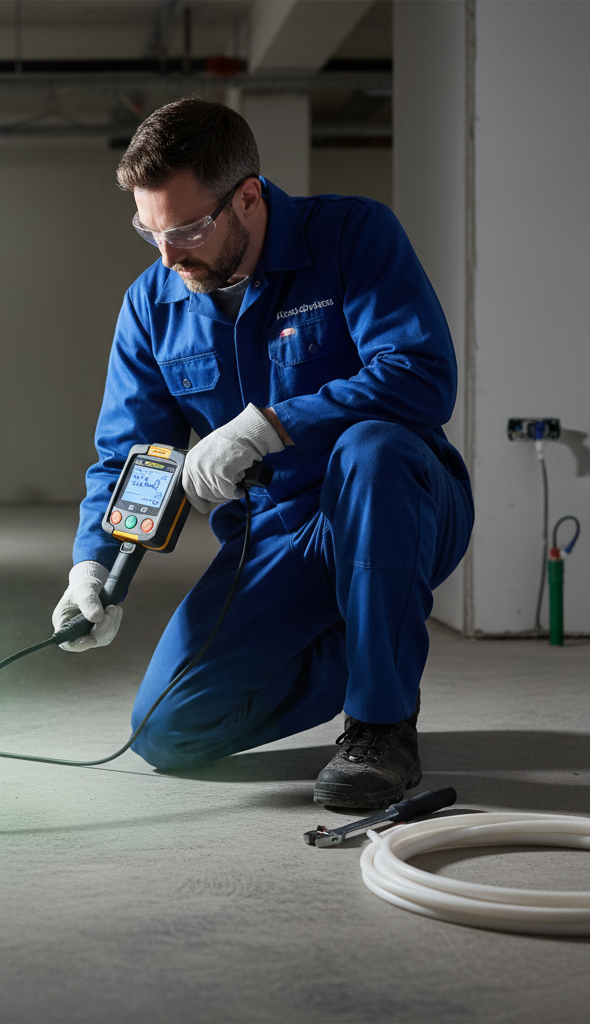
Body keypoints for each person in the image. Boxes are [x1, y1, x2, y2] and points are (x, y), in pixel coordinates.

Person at [51, 98, 474, 810]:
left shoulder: (351, 235)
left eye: (185, 229)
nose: (167, 255)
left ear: (249, 196)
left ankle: (380, 725)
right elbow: (134, 453)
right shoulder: (153, 303)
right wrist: (96, 564)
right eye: (148, 231)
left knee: (370, 448)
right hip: (276, 536)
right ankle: (371, 638)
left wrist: (271, 425)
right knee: (167, 729)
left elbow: (422, 374)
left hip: (396, 502)